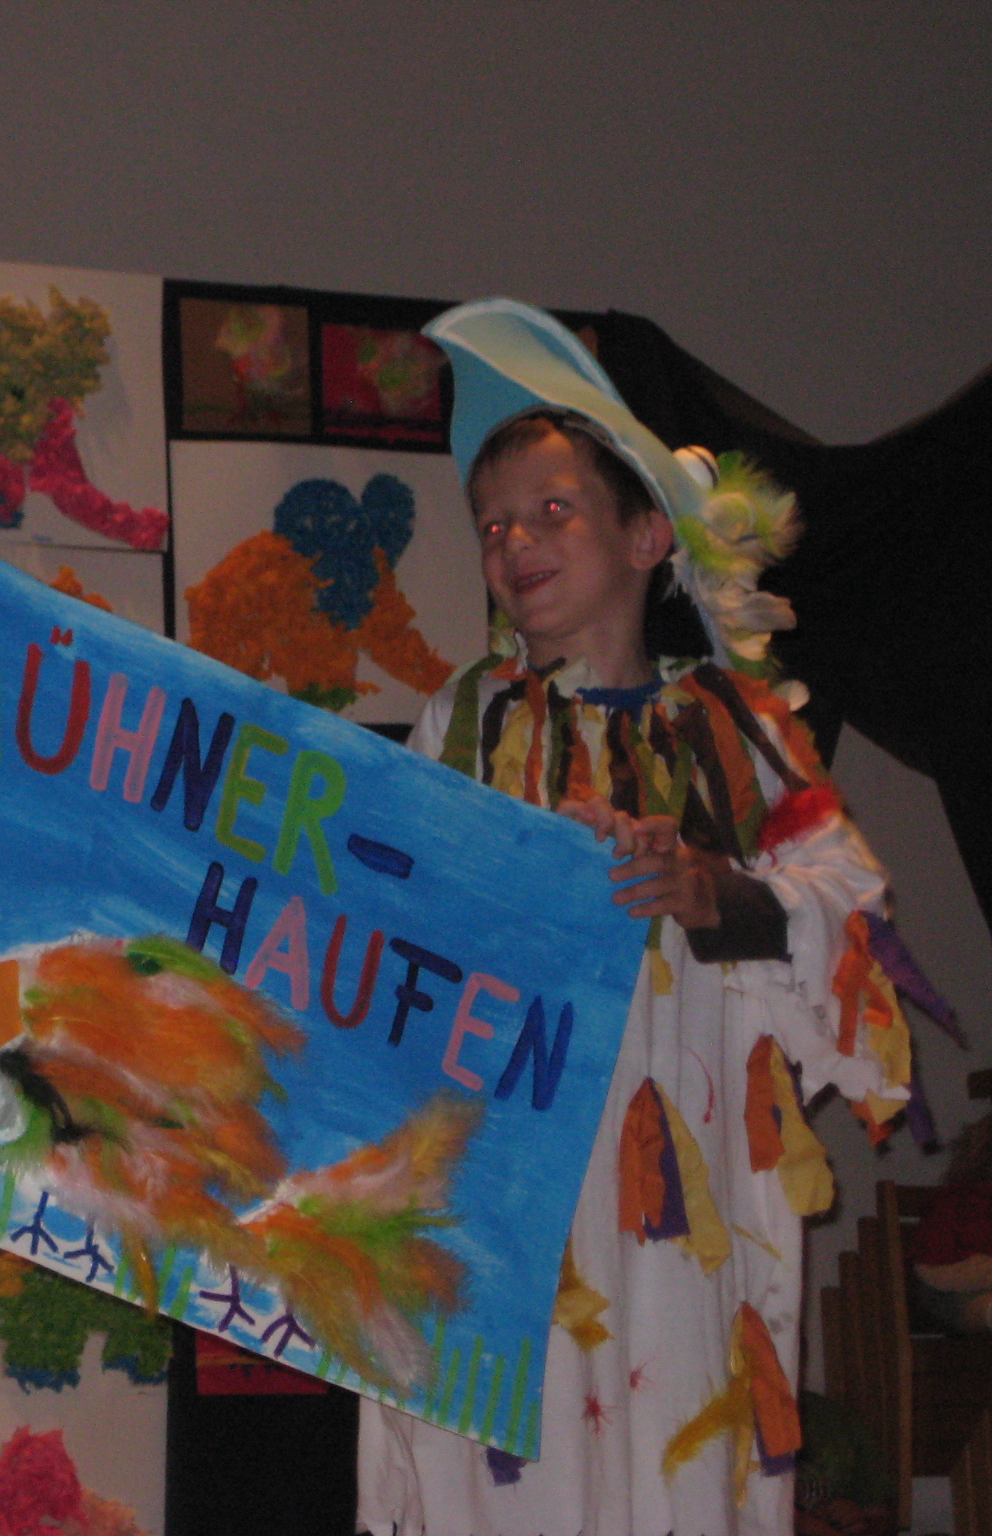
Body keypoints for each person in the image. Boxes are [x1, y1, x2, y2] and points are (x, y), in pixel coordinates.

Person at [357, 299, 911, 1534]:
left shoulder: (738, 731)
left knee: (672, 1456)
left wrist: (707, 890)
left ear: (646, 534)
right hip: (504, 1187)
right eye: (492, 524)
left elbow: (846, 918)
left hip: (680, 1207)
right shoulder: (462, 722)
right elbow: (384, 916)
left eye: (551, 510)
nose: (514, 541)